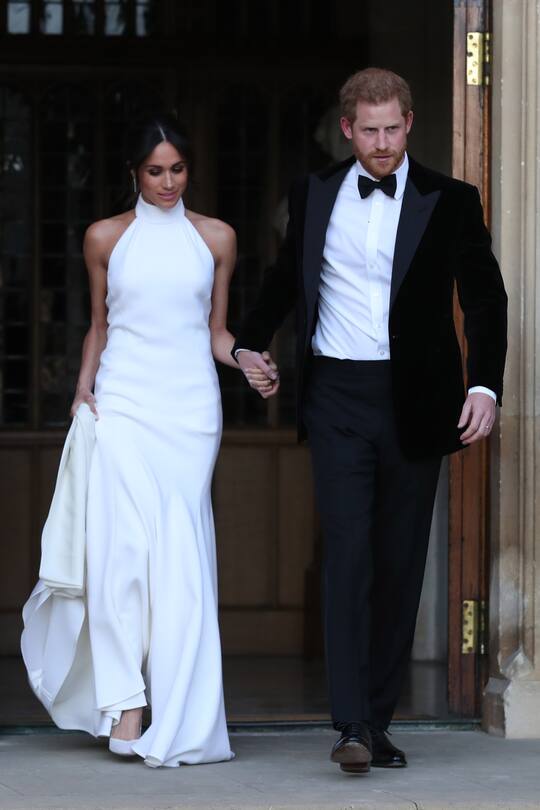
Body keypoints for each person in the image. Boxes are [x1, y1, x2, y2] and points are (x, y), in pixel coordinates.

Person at [233, 68, 507, 774]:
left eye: (393, 129)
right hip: (337, 398)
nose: (382, 144)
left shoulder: (451, 200)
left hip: (417, 400)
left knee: (398, 563)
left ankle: (377, 722)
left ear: (409, 123)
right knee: (349, 555)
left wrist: (483, 386)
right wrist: (248, 342)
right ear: (347, 128)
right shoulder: (316, 192)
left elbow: (485, 300)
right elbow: (284, 281)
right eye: (369, 130)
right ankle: (350, 723)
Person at [21, 115, 252, 768]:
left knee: (178, 562)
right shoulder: (104, 237)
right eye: (156, 171)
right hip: (122, 403)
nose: (168, 181)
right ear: (133, 173)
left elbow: (215, 332)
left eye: (178, 169)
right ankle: (127, 701)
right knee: (119, 556)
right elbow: (100, 324)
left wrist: (248, 359)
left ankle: (182, 708)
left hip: (189, 413)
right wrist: (82, 391)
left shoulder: (217, 239)